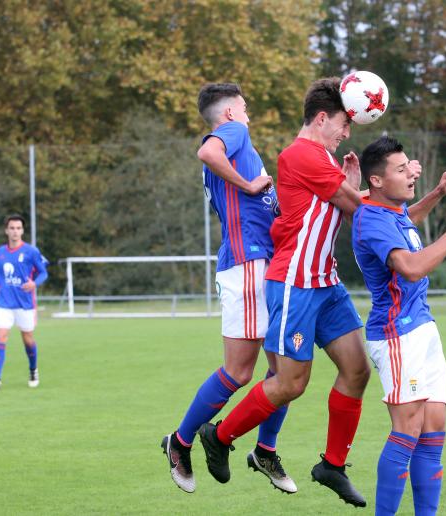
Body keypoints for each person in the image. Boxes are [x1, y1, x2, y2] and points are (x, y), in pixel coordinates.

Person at [196, 77, 371, 507]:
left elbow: (351, 205)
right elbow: (359, 210)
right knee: (291, 382)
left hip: (325, 282)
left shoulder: (322, 160)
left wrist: (358, 183)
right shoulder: (299, 154)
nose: (347, 133)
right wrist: (396, 194)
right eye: (345, 124)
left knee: (357, 370)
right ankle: (217, 435)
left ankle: (331, 464)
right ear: (323, 117)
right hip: (294, 281)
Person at [160, 83, 296, 495]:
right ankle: (181, 443)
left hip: (260, 263)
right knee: (243, 371)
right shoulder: (235, 134)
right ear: (231, 113)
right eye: (246, 106)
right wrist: (251, 185)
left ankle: (264, 450)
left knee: (285, 370)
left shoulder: (241, 145)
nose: (249, 113)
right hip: (248, 263)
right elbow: (207, 151)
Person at [352, 137, 446, 515]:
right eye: (400, 169)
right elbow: (410, 268)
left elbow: (407, 222)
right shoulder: (371, 220)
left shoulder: (391, 212)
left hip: (423, 328)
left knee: (433, 432)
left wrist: (438, 193)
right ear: (376, 182)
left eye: (408, 165)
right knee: (406, 431)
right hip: (396, 334)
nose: (411, 173)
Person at [0, 214, 49, 392]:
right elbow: (0, 274)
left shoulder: (31, 251)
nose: (15, 231)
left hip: (24, 303)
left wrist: (33, 283)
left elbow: (43, 273)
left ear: (22, 230)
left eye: (18, 228)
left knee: (27, 339)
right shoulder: (0, 252)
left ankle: (33, 370)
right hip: (4, 303)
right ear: (6, 230)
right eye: (12, 228)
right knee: (1, 337)